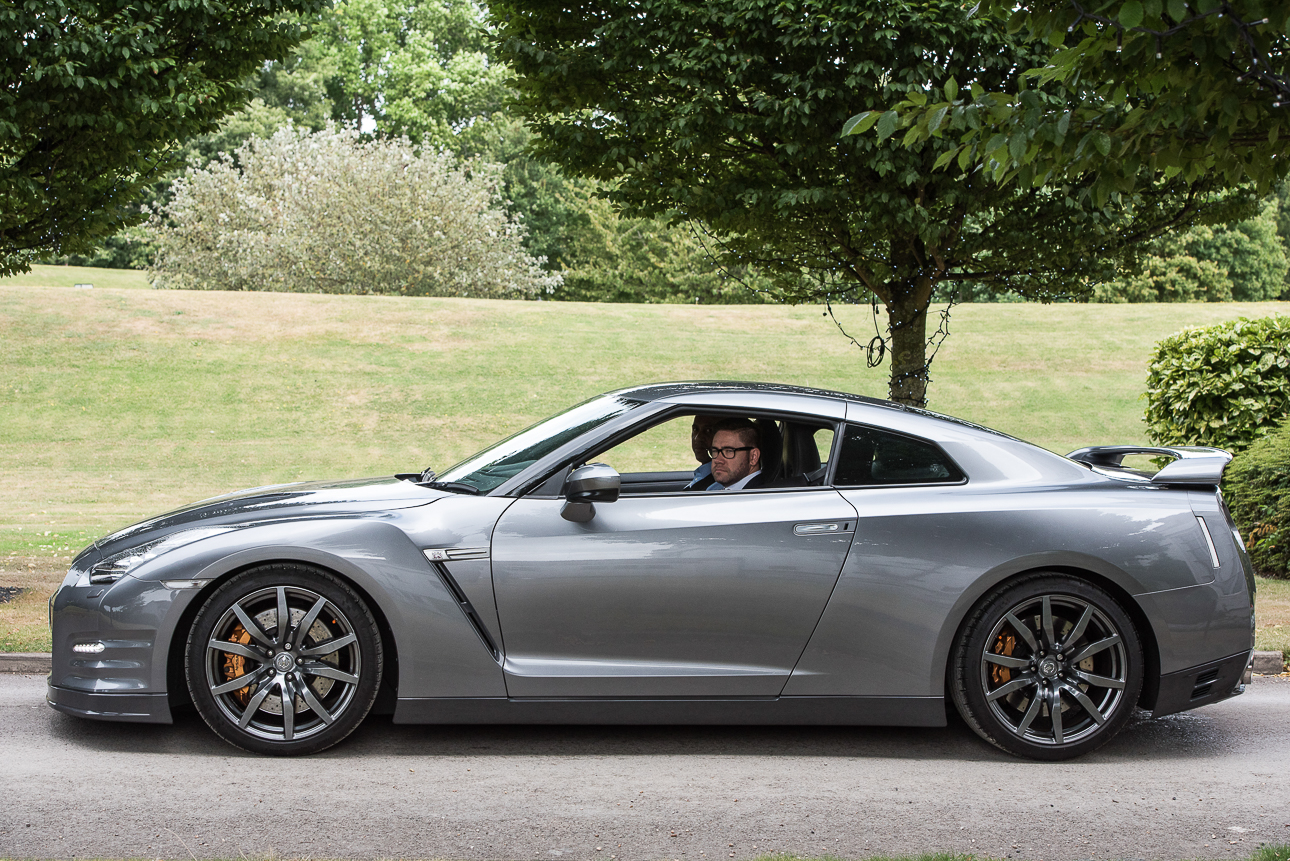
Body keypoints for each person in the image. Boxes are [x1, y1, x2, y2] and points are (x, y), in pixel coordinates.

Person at [706, 418, 766, 491]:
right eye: (715, 451)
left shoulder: (758, 497)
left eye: (729, 451)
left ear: (753, 457)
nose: (718, 460)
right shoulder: (719, 488)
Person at [684, 414, 724, 490]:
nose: (697, 438)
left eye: (708, 431)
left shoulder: (720, 484)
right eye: (695, 429)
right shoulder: (703, 474)